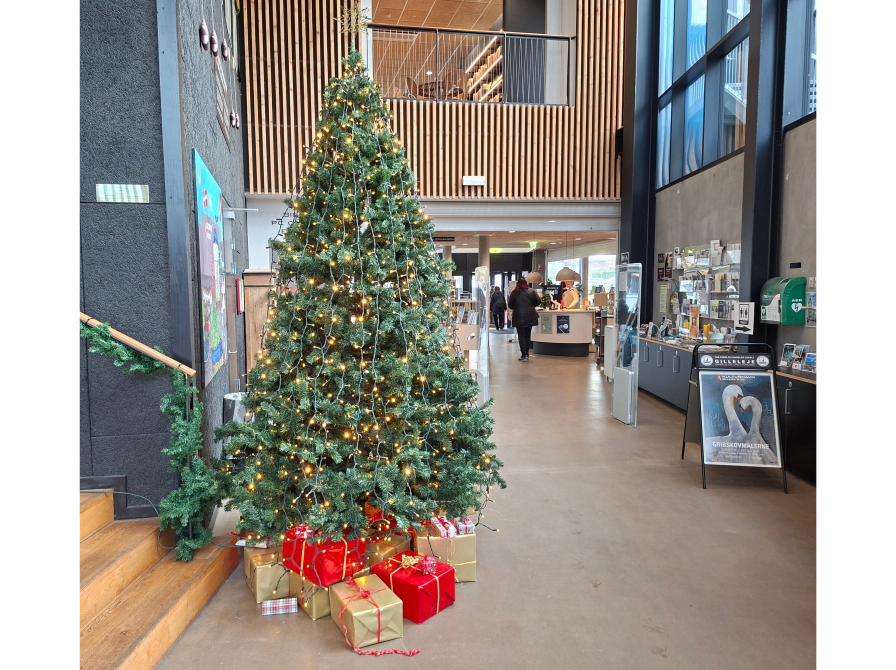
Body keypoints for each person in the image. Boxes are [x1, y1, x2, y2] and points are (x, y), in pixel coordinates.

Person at [507, 279, 541, 361]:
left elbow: (510, 305)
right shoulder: (531, 291)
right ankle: (527, 353)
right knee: (527, 335)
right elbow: (538, 301)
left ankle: (523, 354)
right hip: (530, 316)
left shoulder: (514, 293)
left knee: (521, 336)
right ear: (526, 283)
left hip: (519, 316)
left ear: (517, 284)